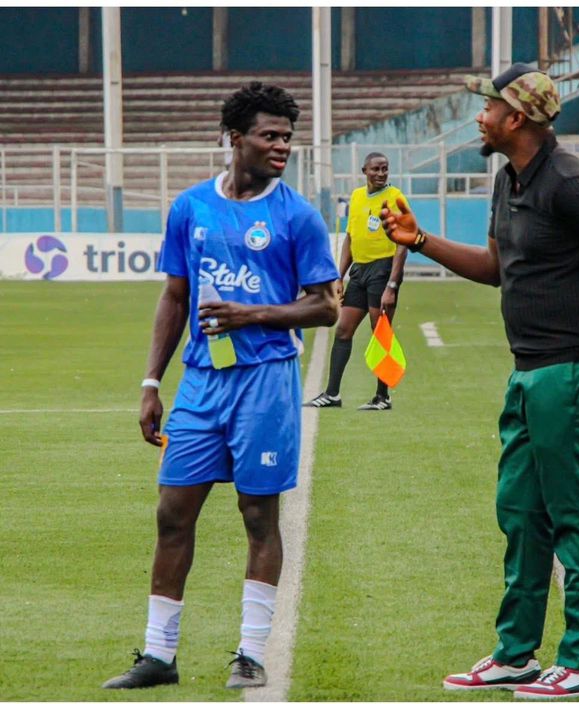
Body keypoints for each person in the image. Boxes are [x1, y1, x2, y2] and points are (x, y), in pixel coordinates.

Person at [381, 64, 579, 700]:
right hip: (532, 370)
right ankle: (516, 655)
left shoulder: (568, 182)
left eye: (488, 107)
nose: (479, 117)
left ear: (517, 119)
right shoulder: (508, 178)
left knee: (574, 515)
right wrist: (418, 240)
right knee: (521, 512)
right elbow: (495, 267)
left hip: (576, 369)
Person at [101, 81, 339, 690]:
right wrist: (151, 381)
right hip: (201, 383)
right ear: (236, 138)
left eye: (287, 136)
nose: (282, 146)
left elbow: (325, 307)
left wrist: (251, 314)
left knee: (258, 515)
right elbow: (174, 296)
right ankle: (159, 655)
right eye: (269, 135)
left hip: (266, 382)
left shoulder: (298, 216)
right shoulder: (191, 207)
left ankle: (251, 653)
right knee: (172, 513)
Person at [304, 152, 408, 411]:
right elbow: (350, 238)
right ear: (365, 171)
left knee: (380, 332)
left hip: (383, 270)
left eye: (385, 168)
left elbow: (403, 244)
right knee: (343, 330)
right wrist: (339, 276)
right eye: (376, 169)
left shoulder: (395, 198)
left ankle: (383, 397)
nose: (381, 173)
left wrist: (392, 285)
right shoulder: (357, 196)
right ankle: (332, 394)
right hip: (359, 272)